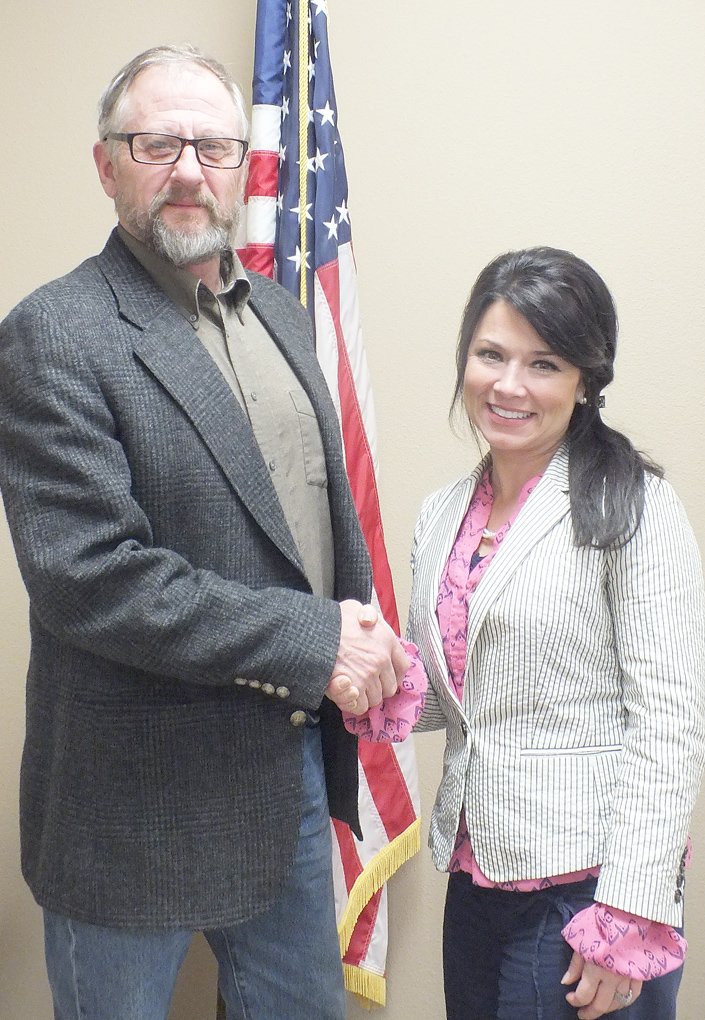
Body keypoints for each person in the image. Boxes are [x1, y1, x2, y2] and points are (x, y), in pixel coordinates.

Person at [0, 45, 409, 1020]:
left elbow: (305, 525)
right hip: (126, 814)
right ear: (107, 165)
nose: (189, 168)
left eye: (213, 146)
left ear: (243, 168)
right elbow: (93, 578)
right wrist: (318, 645)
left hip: (283, 786)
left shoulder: (282, 314)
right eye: (158, 142)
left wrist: (359, 650)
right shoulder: (53, 334)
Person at [345, 246, 705, 1019]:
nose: (508, 385)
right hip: (476, 882)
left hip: (586, 894)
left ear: (584, 381)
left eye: (542, 363)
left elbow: (670, 726)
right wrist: (369, 672)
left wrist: (628, 915)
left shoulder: (634, 505)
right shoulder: (444, 513)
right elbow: (450, 698)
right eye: (490, 355)